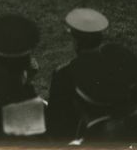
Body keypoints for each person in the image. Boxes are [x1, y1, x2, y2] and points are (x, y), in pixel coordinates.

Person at [46, 8, 109, 139]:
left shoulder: (63, 73)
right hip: (109, 135)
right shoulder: (114, 68)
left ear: (76, 43)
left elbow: (54, 120)